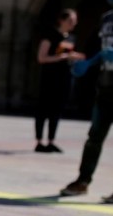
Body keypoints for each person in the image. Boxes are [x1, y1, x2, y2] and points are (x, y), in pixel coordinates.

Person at [60, 0, 113, 204]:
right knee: (95, 134)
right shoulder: (107, 19)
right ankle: (82, 181)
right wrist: (88, 64)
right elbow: (104, 50)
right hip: (106, 85)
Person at [34, 9, 85, 153]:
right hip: (49, 78)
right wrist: (61, 57)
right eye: (70, 21)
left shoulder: (70, 38)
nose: (73, 24)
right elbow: (41, 58)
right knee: (43, 109)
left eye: (74, 21)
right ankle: (39, 141)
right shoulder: (49, 35)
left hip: (63, 78)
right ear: (61, 20)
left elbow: (67, 55)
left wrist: (74, 57)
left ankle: (51, 141)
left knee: (56, 110)